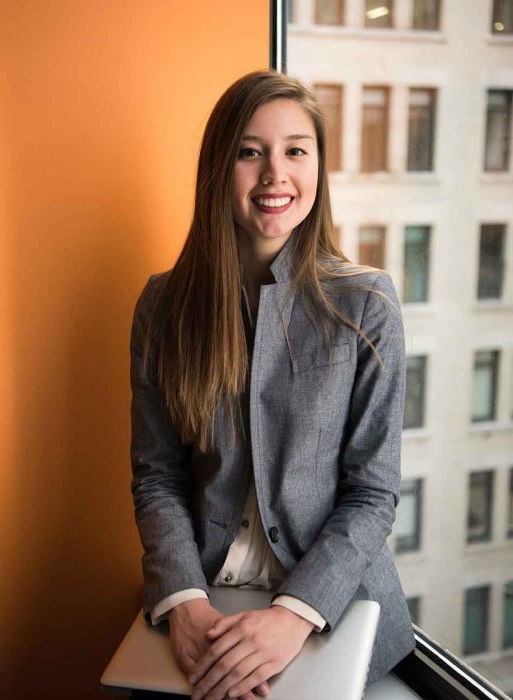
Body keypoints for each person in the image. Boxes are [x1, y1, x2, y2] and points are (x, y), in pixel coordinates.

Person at [130, 69, 416, 700]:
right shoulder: (163, 305)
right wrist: (184, 607)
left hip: (329, 609)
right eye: (250, 152)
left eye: (295, 151)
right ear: (217, 167)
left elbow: (372, 493)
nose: (274, 176)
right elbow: (158, 476)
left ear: (318, 166)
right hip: (204, 601)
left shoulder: (367, 304)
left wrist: (294, 616)